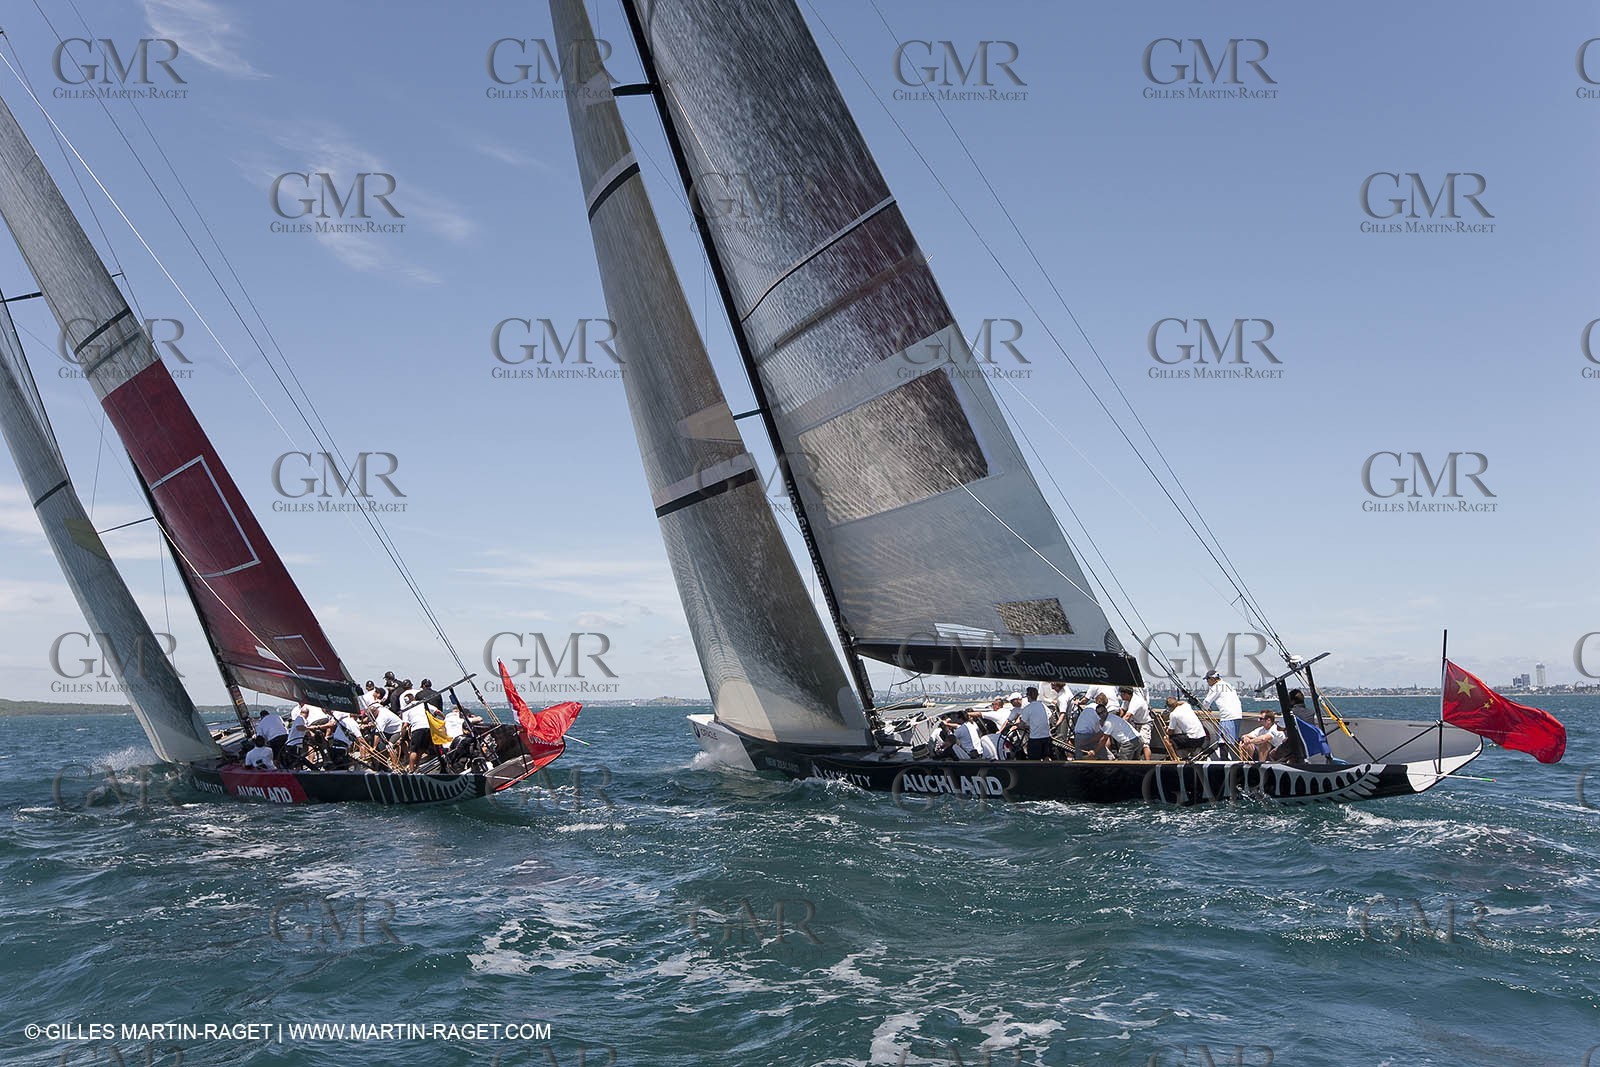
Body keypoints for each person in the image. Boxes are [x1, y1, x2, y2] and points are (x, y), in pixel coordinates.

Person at [1200, 670, 1244, 746]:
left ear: (1212, 679)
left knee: (1223, 742)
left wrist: (1205, 708)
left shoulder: (1216, 687)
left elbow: (1206, 702)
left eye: (1207, 679)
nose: (1207, 682)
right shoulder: (1228, 685)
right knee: (1233, 741)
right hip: (1237, 716)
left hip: (1227, 717)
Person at [1016, 686, 1052, 760]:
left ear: (1028, 696)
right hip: (1047, 736)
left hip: (1035, 739)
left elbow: (1021, 724)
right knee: (1046, 757)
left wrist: (1017, 725)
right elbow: (1050, 715)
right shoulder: (1043, 705)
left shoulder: (1027, 708)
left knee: (1034, 760)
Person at [401, 695, 436, 771]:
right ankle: (416, 768)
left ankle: (411, 770)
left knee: (413, 751)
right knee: (421, 750)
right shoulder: (423, 703)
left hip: (417, 729)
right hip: (428, 728)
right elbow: (437, 711)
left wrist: (401, 737)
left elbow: (405, 725)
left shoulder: (407, 709)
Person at [1119, 686, 1152, 760]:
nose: (1120, 696)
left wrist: (1118, 725)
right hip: (1135, 723)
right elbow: (1122, 710)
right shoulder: (1126, 700)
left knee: (1145, 744)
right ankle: (1136, 760)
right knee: (1135, 743)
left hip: (1144, 724)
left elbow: (1128, 716)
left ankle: (1148, 763)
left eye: (1121, 694)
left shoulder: (1136, 701)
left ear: (1126, 694)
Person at [370, 695, 403, 762]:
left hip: (398, 730)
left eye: (372, 715)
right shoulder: (380, 708)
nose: (371, 716)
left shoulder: (381, 718)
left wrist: (374, 747)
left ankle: (395, 765)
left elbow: (377, 734)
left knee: (389, 747)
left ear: (375, 712)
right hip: (390, 730)